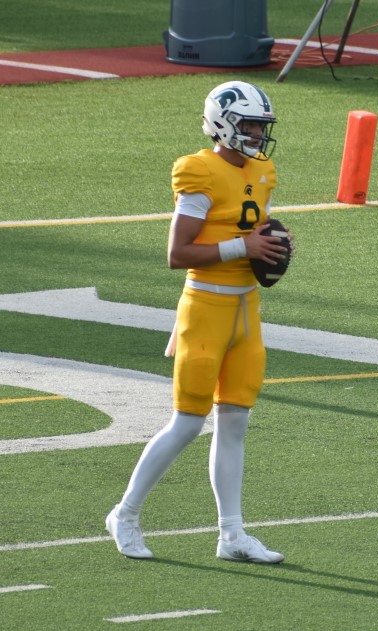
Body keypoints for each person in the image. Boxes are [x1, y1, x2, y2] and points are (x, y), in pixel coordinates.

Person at [106, 80, 290, 562]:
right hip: (206, 308)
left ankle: (232, 535)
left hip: (247, 312)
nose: (257, 134)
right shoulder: (198, 170)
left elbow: (257, 230)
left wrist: (272, 246)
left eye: (261, 126)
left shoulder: (263, 169)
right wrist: (243, 246)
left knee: (235, 423)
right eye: (249, 125)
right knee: (188, 423)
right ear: (223, 123)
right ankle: (125, 514)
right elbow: (178, 253)